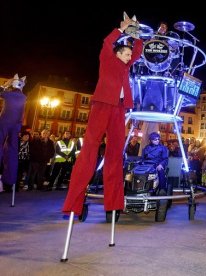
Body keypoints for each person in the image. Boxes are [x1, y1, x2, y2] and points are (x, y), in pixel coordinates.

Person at [62, 16, 143, 215]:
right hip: (103, 105)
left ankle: (114, 203)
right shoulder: (107, 59)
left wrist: (138, 37)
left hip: (118, 108)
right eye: (125, 53)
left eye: (129, 54)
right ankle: (74, 202)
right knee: (90, 146)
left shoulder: (126, 67)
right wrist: (121, 29)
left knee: (115, 154)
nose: (128, 56)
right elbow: (107, 43)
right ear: (117, 53)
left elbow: (138, 53)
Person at [0, 74, 27, 192]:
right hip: (16, 125)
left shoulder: (8, 94)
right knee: (12, 150)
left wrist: (7, 84)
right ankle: (10, 179)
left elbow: (1, 91)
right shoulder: (23, 97)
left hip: (5, 122)